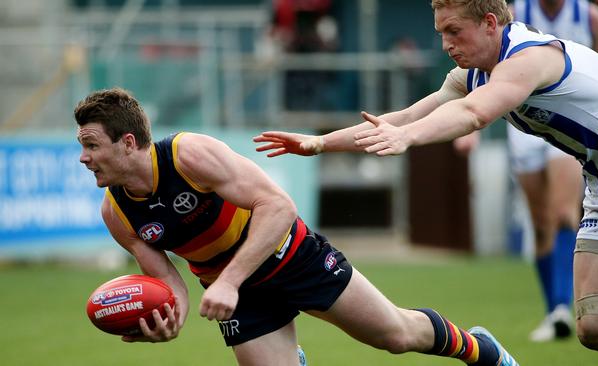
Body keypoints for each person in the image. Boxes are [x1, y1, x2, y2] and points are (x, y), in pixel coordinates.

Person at [255, 0, 598, 356]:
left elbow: (474, 114)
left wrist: (407, 138)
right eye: (441, 33)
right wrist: (319, 143)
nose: (446, 44)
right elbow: (404, 117)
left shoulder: (529, 58)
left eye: (454, 32)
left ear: (490, 23)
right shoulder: (471, 75)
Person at [74, 87, 519, 366]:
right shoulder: (117, 213)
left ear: (127, 142)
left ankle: (481, 349)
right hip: (241, 297)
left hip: (291, 257)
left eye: (91, 145)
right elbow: (168, 280)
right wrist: (171, 319)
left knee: (397, 336)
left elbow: (278, 206)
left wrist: (228, 280)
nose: (84, 157)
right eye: (82, 146)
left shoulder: (188, 155)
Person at [503, 0, 598, 343]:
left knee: (565, 212)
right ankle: (553, 311)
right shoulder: (516, 14)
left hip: (569, 124)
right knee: (539, 223)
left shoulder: (589, 16)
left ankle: (564, 307)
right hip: (523, 125)